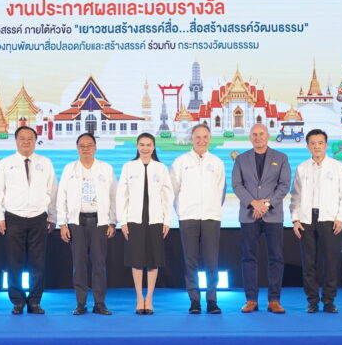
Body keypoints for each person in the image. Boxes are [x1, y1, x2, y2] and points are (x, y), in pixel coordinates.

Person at [0, 125, 58, 314]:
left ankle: (35, 302)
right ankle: (18, 302)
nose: (26, 142)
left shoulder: (45, 163)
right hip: (13, 217)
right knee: (14, 263)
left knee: (38, 263)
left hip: (39, 217)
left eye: (30, 138)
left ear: (35, 141)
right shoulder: (6, 163)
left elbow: (53, 191)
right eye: (22, 138)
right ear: (16, 141)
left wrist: (53, 216)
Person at [232, 122, 291, 313]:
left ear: (268, 135)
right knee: (248, 258)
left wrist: (266, 204)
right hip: (249, 215)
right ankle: (251, 300)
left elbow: (284, 185)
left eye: (262, 134)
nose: (258, 137)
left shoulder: (281, 158)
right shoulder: (241, 159)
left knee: (276, 258)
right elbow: (237, 185)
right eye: (254, 134)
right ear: (250, 137)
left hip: (273, 215)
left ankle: (274, 300)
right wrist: (253, 203)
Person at [57, 132, 117, 315]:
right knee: (79, 264)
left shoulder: (106, 168)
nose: (86, 149)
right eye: (82, 146)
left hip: (100, 222)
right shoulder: (69, 169)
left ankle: (99, 303)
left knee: (99, 264)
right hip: (77, 222)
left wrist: (113, 222)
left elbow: (114, 196)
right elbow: (61, 196)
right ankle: (80, 303)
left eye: (89, 145)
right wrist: (62, 224)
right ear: (77, 148)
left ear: (95, 148)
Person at [291, 129, 342, 314]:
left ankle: (329, 301)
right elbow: (295, 196)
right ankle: (312, 301)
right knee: (309, 263)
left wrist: (340, 217)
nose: (316, 146)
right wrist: (295, 219)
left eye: (320, 143)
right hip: (306, 219)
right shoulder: (302, 168)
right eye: (312, 143)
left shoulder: (337, 166)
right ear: (307, 146)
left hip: (329, 219)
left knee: (330, 262)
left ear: (326, 145)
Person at [169, 123, 225, 314]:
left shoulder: (217, 162)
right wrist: (182, 211)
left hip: (211, 217)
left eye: (205, 137)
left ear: (210, 138)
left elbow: (221, 190)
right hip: (188, 217)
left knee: (212, 261)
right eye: (197, 137)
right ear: (191, 139)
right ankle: (194, 301)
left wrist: (213, 209)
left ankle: (212, 300)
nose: (201, 141)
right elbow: (172, 191)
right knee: (190, 261)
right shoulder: (180, 162)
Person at [117, 132, 174, 315]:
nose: (145, 148)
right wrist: (122, 221)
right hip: (134, 219)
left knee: (153, 260)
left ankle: (149, 298)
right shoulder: (128, 167)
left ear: (154, 147)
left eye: (149, 145)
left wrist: (167, 220)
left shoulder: (161, 168)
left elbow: (168, 196)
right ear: (137, 146)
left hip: (156, 220)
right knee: (136, 260)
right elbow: (121, 195)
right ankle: (138, 298)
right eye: (142, 144)